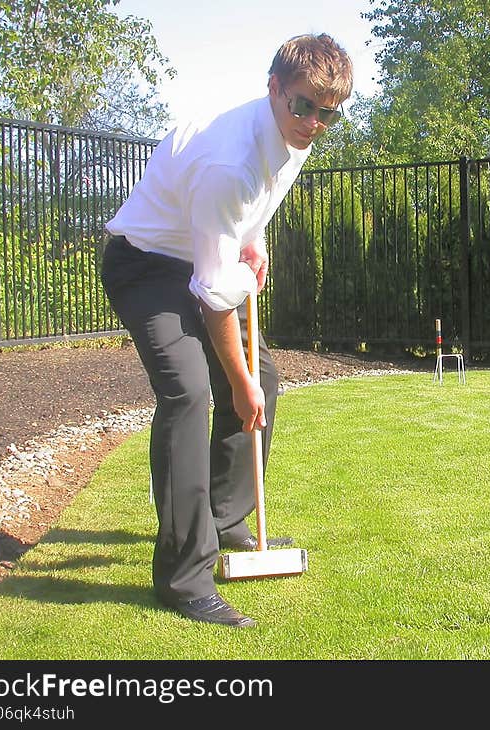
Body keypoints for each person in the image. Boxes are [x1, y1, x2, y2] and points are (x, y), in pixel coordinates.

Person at [101, 34, 353, 628]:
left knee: (264, 374)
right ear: (274, 89)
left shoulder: (293, 135)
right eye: (303, 106)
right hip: (147, 265)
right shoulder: (228, 160)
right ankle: (185, 579)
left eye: (328, 112)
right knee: (192, 392)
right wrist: (236, 384)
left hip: (201, 251)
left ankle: (226, 515)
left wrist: (252, 241)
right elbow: (214, 298)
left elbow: (255, 206)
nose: (314, 122)